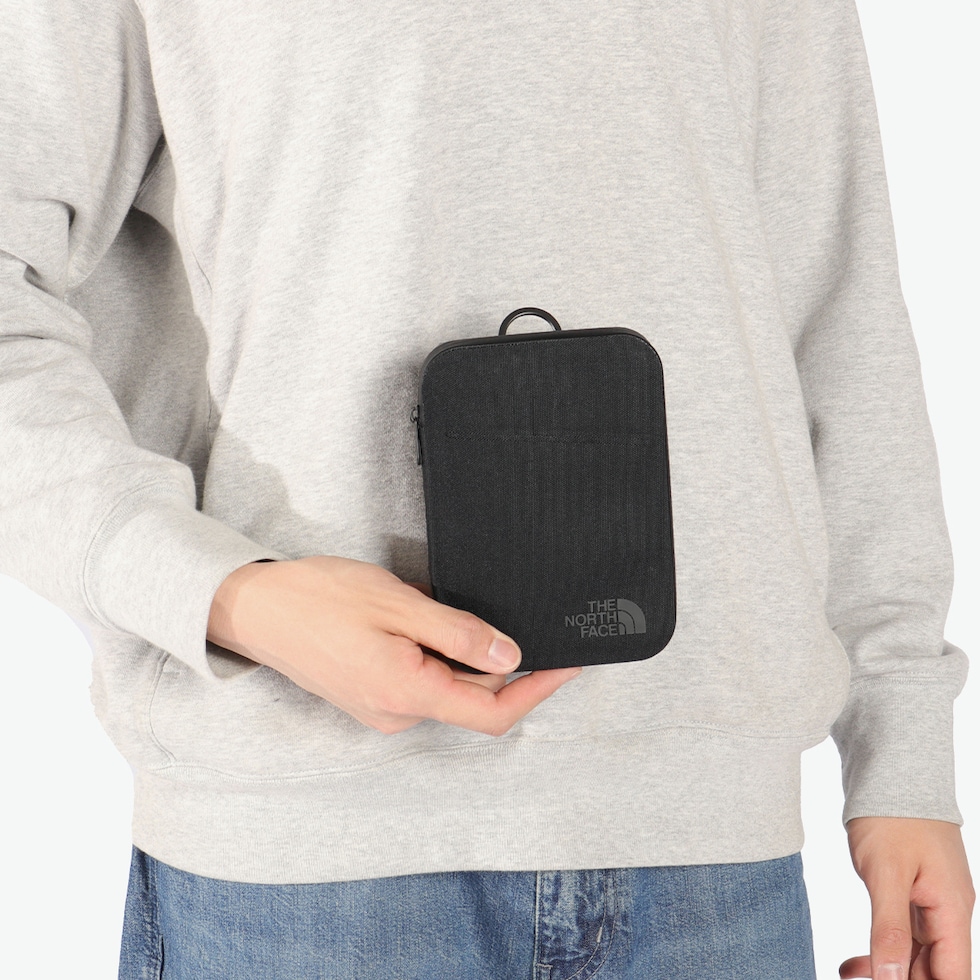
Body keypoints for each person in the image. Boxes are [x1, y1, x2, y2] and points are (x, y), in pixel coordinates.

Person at [0, 1, 972, 978]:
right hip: (306, 854)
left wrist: (902, 748)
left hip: (708, 847)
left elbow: (834, 307)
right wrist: (229, 594)